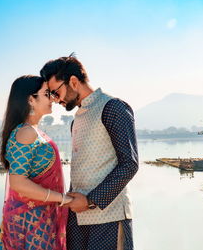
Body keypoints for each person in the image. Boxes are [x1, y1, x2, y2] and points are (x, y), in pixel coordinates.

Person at [40, 54, 139, 250]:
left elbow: (130, 164)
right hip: (77, 219)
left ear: (74, 82)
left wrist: (91, 201)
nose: (54, 99)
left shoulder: (113, 107)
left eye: (55, 92)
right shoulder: (77, 119)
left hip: (109, 217)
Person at [0, 75, 73, 250]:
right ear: (31, 99)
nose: (52, 98)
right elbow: (18, 182)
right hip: (29, 221)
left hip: (40, 216)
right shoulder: (26, 132)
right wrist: (62, 199)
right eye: (46, 94)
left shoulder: (33, 130)